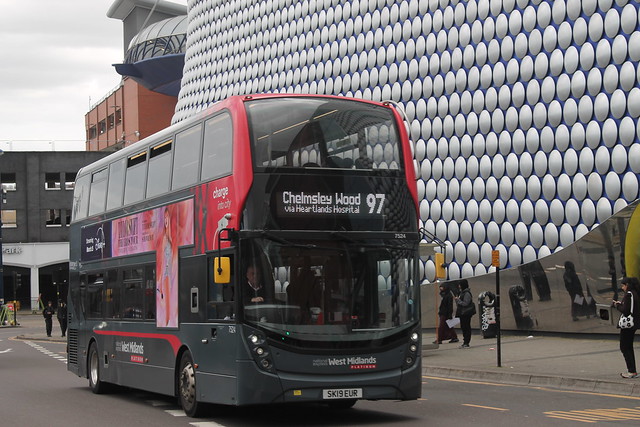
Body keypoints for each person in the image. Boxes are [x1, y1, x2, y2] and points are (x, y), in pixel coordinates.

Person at [613, 277, 640, 379]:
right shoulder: (635, 293)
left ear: (627, 285)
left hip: (627, 325)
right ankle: (632, 371)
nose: (622, 287)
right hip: (633, 324)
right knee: (628, 347)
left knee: (624, 347)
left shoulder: (629, 295)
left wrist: (617, 305)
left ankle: (631, 371)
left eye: (623, 285)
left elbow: (626, 310)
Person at [455, 279, 476, 348]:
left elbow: (465, 303)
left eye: (460, 285)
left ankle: (466, 342)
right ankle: (465, 341)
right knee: (463, 327)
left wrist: (458, 300)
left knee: (466, 327)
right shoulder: (462, 293)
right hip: (462, 313)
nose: (459, 286)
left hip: (466, 313)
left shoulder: (466, 293)